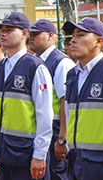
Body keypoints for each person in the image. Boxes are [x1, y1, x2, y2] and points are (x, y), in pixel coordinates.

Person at [56, 18, 103, 180]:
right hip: (77, 162)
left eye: (81, 35)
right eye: (73, 35)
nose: (73, 40)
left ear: (99, 41)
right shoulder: (73, 74)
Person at [0, 12, 53, 180]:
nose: (3, 34)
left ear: (24, 33)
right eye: (2, 30)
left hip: (26, 153)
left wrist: (40, 155)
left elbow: (44, 114)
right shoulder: (0, 68)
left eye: (9, 30)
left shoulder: (35, 67)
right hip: (4, 151)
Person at [28, 19, 75, 180]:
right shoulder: (34, 60)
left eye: (35, 34)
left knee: (56, 174)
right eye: (30, 34)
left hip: (55, 131)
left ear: (50, 36)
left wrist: (62, 138)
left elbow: (65, 102)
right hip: (40, 130)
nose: (30, 38)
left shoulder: (61, 62)